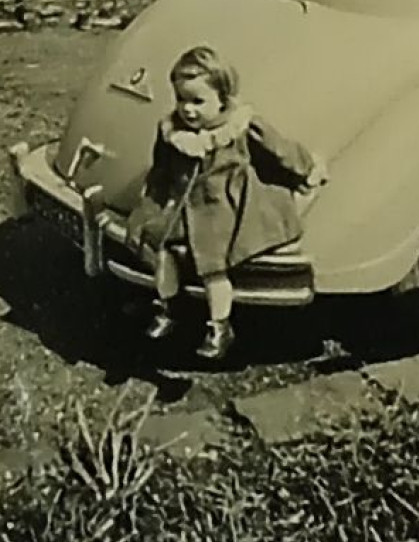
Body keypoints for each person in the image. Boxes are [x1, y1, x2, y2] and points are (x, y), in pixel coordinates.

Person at [125, 46, 328, 359]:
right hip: (185, 205)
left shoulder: (240, 128)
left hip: (226, 206)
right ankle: (167, 306)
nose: (188, 110)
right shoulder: (173, 134)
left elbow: (280, 150)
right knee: (163, 248)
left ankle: (220, 325)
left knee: (212, 266)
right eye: (181, 100)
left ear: (222, 98)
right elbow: (161, 171)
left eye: (197, 101)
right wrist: (151, 204)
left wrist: (309, 168)